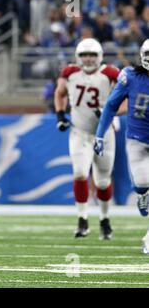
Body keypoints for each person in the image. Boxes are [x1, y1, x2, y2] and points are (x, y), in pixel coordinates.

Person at [54, 38, 121, 240]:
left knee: (102, 181)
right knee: (80, 173)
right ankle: (82, 219)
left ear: (99, 56)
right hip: (80, 132)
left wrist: (111, 113)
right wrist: (60, 115)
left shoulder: (111, 74)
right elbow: (60, 93)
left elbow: (126, 100)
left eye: (92, 54)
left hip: (104, 134)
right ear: (78, 56)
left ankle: (104, 218)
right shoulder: (70, 73)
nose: (89, 58)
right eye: (84, 55)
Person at [94, 39, 149, 253]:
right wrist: (99, 135)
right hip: (137, 138)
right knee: (142, 183)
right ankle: (143, 195)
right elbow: (111, 105)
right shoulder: (131, 76)